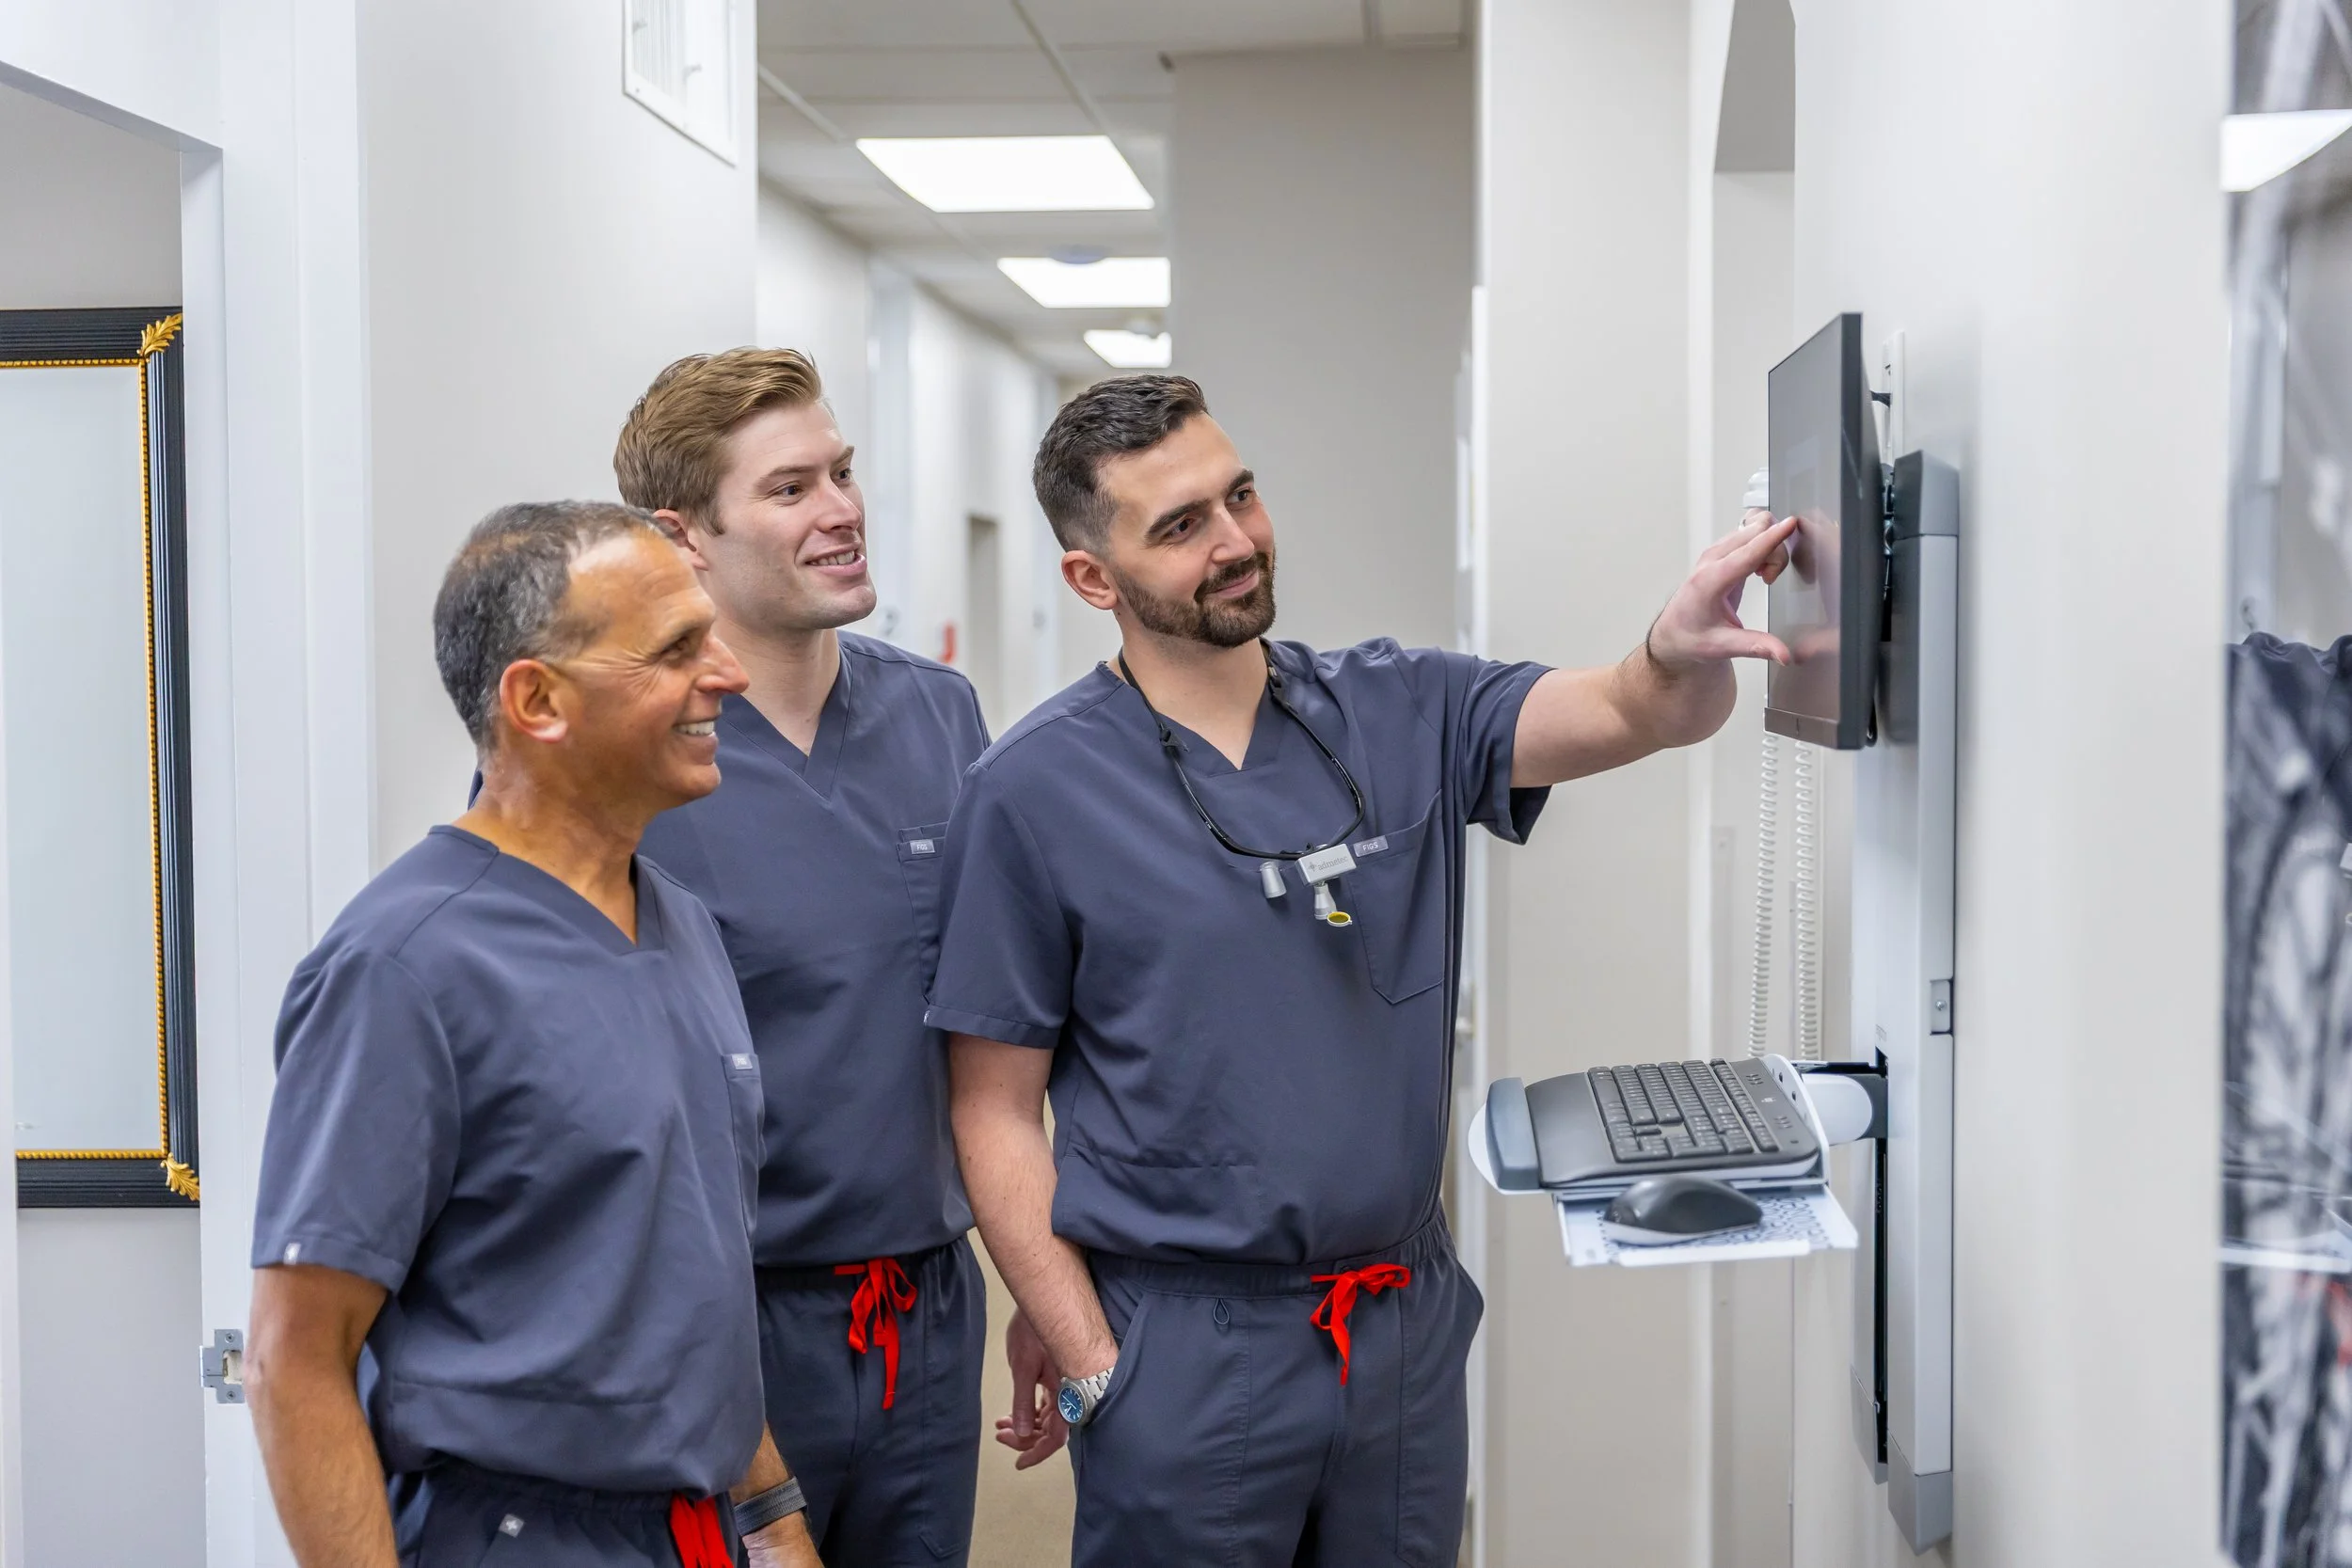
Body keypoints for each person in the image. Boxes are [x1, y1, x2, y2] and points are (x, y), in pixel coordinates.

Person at [929, 375, 1796, 1566]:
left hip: (1396, 1321)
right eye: (1179, 525)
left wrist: (1675, 642)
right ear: (1094, 578)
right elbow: (991, 1107)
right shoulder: (1030, 791)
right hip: (1184, 1339)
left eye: (1238, 495)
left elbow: (1635, 708)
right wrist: (1090, 1359)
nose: (1234, 541)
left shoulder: (1402, 705)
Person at [245, 501, 823, 1568]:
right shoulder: (404, 965)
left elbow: (684, 1272)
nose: (729, 674)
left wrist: (774, 1514)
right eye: (677, 649)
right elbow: (295, 1356)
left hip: (696, 1526)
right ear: (538, 699)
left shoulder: (680, 922)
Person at [617, 349, 991, 1564]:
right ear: (684, 538)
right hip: (725, 1320)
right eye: (790, 489)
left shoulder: (941, 715)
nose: (841, 509)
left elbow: (999, 1026)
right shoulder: (618, 762)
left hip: (929, 1310)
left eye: (840, 471)